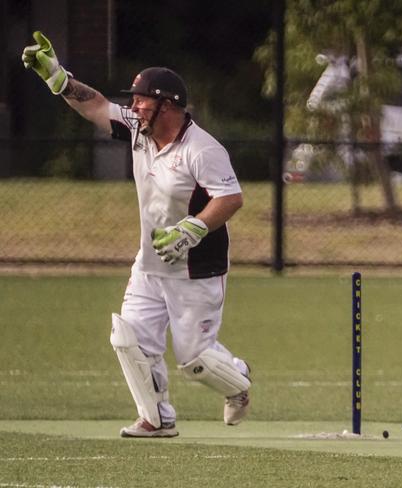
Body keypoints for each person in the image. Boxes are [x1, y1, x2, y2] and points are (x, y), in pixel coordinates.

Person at [22, 31, 252, 437]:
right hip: (150, 264)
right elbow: (95, 105)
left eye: (143, 99)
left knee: (195, 360)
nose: (135, 105)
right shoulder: (136, 129)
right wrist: (58, 78)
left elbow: (230, 198)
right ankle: (156, 417)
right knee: (129, 337)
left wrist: (193, 228)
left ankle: (238, 379)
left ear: (169, 105)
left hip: (196, 269)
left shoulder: (203, 149)